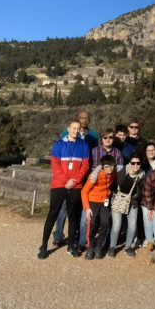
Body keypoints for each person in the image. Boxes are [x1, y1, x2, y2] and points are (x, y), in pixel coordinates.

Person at [37, 119, 89, 259]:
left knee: (73, 217)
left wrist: (75, 180)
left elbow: (85, 166)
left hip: (75, 185)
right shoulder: (59, 144)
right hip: (59, 184)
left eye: (78, 129)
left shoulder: (84, 145)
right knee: (52, 215)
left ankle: (71, 245)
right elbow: (55, 165)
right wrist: (66, 181)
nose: (75, 131)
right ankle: (43, 246)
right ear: (68, 128)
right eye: (73, 128)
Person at [52, 110, 98, 249]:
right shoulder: (66, 134)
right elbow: (60, 155)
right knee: (63, 208)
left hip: (83, 175)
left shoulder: (94, 136)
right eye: (81, 118)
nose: (84, 120)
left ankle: (76, 234)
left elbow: (93, 155)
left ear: (89, 120)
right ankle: (58, 235)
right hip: (66, 178)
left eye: (86, 118)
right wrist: (66, 179)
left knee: (77, 208)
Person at [108, 153, 145, 258]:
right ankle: (112, 247)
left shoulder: (142, 174)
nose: (135, 165)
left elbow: (141, 189)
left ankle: (128, 247)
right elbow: (107, 168)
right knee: (116, 226)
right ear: (129, 163)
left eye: (138, 163)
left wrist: (137, 196)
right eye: (133, 163)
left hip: (132, 202)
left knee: (132, 226)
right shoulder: (122, 171)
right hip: (119, 200)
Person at [81, 155, 116, 260]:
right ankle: (90, 246)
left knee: (105, 223)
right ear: (102, 167)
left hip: (104, 201)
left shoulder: (113, 174)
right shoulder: (95, 176)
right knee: (92, 224)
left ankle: (99, 246)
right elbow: (84, 191)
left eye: (112, 166)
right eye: (107, 166)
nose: (110, 169)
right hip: (93, 201)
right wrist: (87, 208)